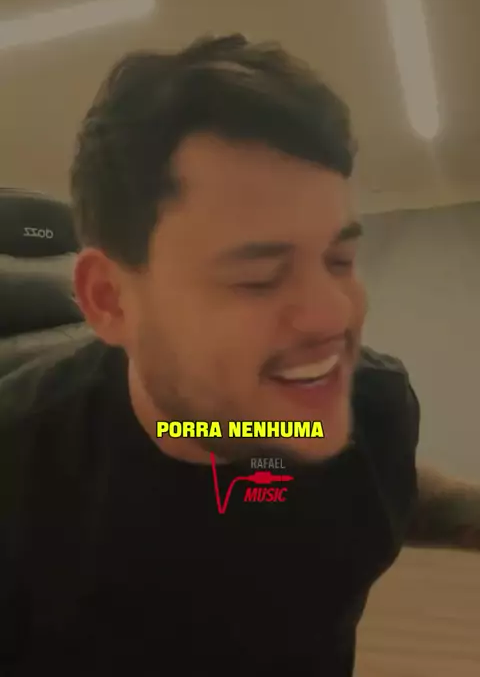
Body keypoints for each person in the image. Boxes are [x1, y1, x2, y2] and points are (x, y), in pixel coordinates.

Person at [0, 34, 479, 676]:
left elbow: (355, 471)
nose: (334, 316)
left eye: (339, 259)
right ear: (110, 300)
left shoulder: (373, 403)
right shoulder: (21, 472)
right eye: (258, 278)